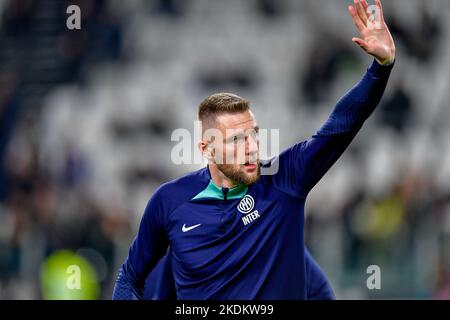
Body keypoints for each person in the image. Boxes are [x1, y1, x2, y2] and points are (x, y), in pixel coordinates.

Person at [113, 0, 395, 299]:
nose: (250, 148)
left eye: (254, 135)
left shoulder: (284, 182)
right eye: (236, 139)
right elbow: (130, 277)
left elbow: (340, 126)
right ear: (207, 149)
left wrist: (381, 68)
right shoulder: (169, 202)